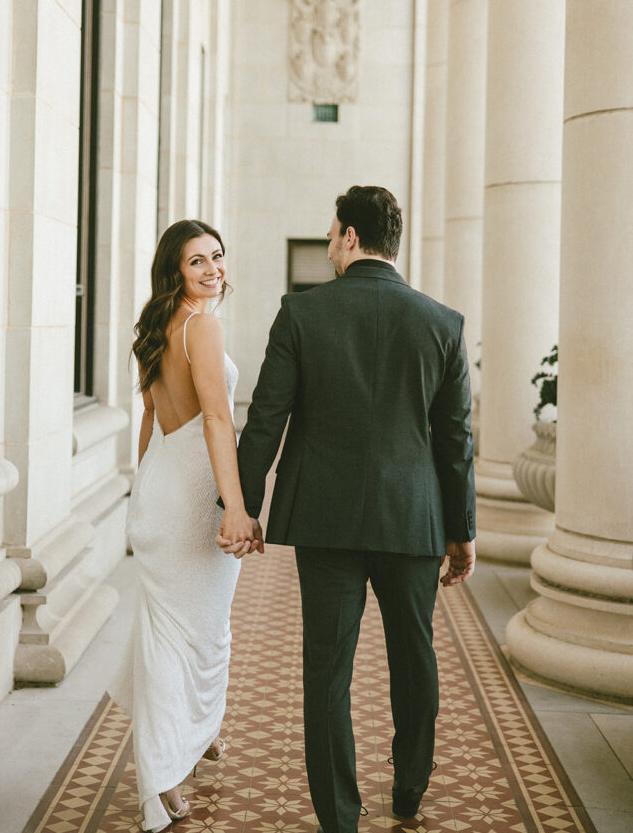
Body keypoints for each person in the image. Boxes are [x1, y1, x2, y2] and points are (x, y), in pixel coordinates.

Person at [220, 186, 476, 833]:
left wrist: (242, 507)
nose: (331, 245)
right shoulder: (442, 323)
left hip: (323, 521)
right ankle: (409, 791)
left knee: (326, 669)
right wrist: (461, 530)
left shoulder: (301, 314)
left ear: (351, 238)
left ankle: (338, 815)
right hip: (412, 519)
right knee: (413, 660)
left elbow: (265, 420)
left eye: (332, 235)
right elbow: (454, 441)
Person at [109, 219, 262, 833]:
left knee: (180, 627)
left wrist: (141, 490)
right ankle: (163, 775)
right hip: (195, 490)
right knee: (195, 635)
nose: (213, 270)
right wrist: (236, 506)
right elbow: (218, 422)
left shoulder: (155, 327)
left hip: (160, 483)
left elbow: (148, 418)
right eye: (197, 261)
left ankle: (196, 734)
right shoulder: (202, 325)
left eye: (218, 257)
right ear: (175, 270)